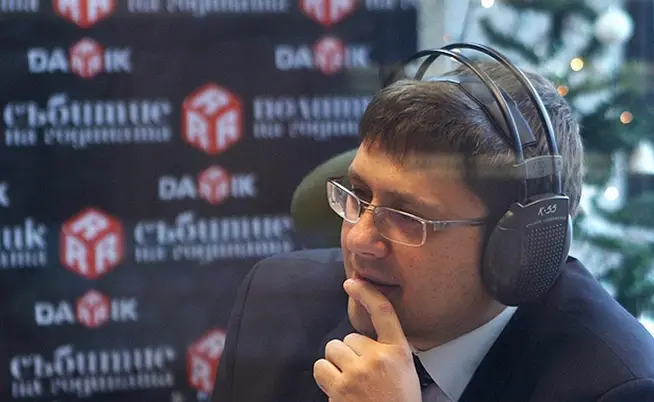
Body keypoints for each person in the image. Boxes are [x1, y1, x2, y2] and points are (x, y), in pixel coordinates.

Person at [211, 51, 654, 402]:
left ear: (519, 249)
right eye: (359, 193)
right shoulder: (275, 304)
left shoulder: (616, 387)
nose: (359, 239)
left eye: (408, 218)